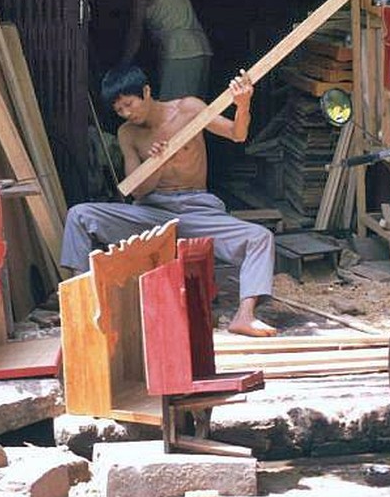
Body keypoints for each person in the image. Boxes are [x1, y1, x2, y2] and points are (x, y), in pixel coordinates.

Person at [61, 65, 277, 337]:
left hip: (198, 211)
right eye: (119, 111)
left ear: (147, 91)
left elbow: (237, 133)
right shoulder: (128, 133)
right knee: (79, 215)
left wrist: (242, 104)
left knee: (260, 237)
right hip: (152, 214)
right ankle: (77, 306)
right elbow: (137, 191)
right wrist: (157, 165)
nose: (127, 113)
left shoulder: (188, 109)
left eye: (129, 104)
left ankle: (244, 316)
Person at [115, 0, 213, 101]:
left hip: (181, 53)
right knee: (194, 115)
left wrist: (122, 67)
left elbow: (136, 30)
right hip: (200, 48)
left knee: (175, 117)